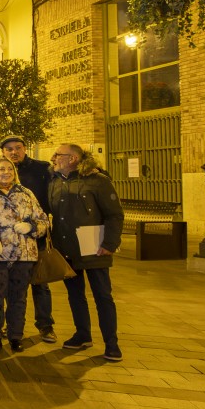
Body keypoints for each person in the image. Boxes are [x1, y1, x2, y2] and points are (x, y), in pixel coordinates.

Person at [49, 143, 125, 362]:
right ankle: (82, 334)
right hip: (66, 247)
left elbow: (114, 214)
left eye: (58, 155)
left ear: (72, 158)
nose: (54, 158)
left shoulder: (98, 180)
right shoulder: (55, 181)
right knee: (75, 294)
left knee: (103, 295)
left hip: (94, 246)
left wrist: (110, 243)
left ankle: (111, 343)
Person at [0, 158, 49, 352]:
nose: (5, 172)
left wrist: (31, 227)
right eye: (1, 169)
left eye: (9, 169)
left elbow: (43, 219)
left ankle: (15, 334)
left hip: (23, 254)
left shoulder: (26, 193)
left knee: (18, 297)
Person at [0, 136, 57, 343]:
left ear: (25, 149)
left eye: (18, 148)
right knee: (12, 285)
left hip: (36, 236)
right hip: (11, 240)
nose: (14, 152)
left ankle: (45, 324)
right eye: (9, 149)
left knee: (40, 282)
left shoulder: (42, 169)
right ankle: (13, 324)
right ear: (3, 152)